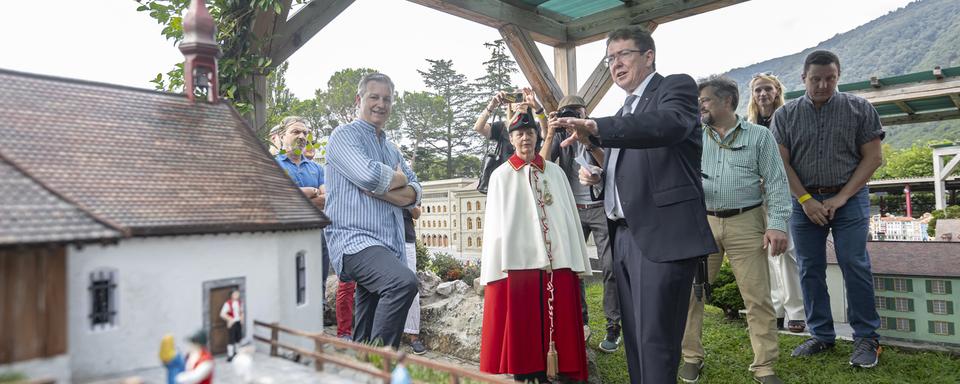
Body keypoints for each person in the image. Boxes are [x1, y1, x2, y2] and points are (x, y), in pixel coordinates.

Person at [556, 27, 718, 383]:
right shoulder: (626, 108)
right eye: (609, 58)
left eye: (623, 54)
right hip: (625, 237)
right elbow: (636, 164)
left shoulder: (673, 89)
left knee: (656, 342)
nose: (615, 64)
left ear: (648, 56)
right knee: (636, 340)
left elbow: (667, 127)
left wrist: (596, 126)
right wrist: (602, 173)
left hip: (662, 237)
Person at [772, 50, 884, 367]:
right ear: (803, 78)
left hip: (849, 199)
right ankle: (821, 335)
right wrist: (806, 200)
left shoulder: (859, 108)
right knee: (809, 268)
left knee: (854, 264)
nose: (823, 85)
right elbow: (781, 162)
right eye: (816, 79)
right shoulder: (786, 115)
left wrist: (842, 197)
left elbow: (873, 158)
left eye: (830, 78)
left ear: (838, 76)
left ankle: (867, 339)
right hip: (803, 201)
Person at [678, 76, 790, 384]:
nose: (699, 106)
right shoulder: (693, 136)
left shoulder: (759, 137)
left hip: (747, 220)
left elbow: (778, 183)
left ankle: (764, 366)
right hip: (702, 222)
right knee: (691, 294)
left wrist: (777, 224)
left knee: (758, 297)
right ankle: (691, 356)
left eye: (705, 101)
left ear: (727, 101)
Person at [479, 111, 592, 383]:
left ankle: (562, 369)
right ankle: (527, 370)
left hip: (558, 261)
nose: (525, 138)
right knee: (524, 321)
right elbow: (495, 226)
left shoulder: (555, 173)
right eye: (519, 134)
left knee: (560, 321)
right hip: (518, 263)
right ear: (511, 138)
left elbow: (568, 218)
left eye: (530, 133)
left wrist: (573, 254)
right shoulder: (501, 176)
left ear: (537, 136)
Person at [324, 72, 421, 349]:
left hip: (387, 246)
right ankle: (380, 369)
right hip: (355, 242)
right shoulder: (343, 136)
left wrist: (389, 188)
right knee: (402, 284)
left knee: (364, 330)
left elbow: (417, 193)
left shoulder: (391, 149)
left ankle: (361, 367)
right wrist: (399, 180)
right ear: (359, 100)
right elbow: (368, 177)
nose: (381, 104)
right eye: (374, 97)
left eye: (387, 99)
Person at [543, 95, 621, 352]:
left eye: (577, 112)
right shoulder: (558, 138)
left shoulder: (597, 133)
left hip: (600, 208)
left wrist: (587, 140)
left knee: (610, 267)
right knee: (574, 268)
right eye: (568, 113)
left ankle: (613, 327)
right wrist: (549, 131)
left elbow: (611, 164)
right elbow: (541, 164)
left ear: (586, 113)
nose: (572, 118)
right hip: (573, 209)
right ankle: (581, 321)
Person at [748, 73, 806, 333]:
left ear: (777, 91)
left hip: (782, 193)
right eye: (758, 90)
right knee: (766, 254)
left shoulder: (788, 119)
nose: (762, 94)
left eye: (767, 89)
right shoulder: (749, 124)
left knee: (787, 252)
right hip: (756, 196)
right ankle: (776, 309)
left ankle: (796, 310)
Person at [402, 205, 427, 355]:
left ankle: (413, 336)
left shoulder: (410, 181)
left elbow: (417, 214)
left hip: (406, 238)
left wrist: (408, 201)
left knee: (411, 286)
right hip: (384, 237)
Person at [219, 290, 244, 362]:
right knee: (231, 339)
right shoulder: (228, 303)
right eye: (235, 294)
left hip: (238, 322)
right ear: (232, 295)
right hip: (232, 323)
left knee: (238, 338)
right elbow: (222, 314)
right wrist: (230, 319)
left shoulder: (239, 303)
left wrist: (242, 318)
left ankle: (237, 352)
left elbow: (241, 311)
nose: (237, 295)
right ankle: (230, 355)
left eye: (237, 294)